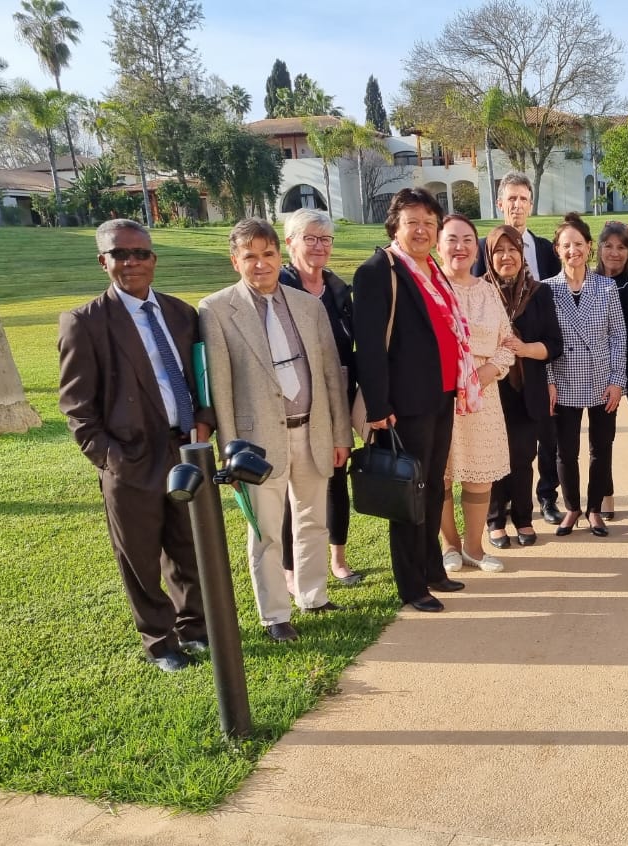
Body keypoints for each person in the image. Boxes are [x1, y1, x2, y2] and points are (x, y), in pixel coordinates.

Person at [57, 219, 213, 672]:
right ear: (103, 261)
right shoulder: (84, 323)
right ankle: (160, 642)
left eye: (140, 253)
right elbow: (76, 406)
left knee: (188, 547)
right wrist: (110, 458)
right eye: (120, 254)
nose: (132, 262)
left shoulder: (182, 313)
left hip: (184, 450)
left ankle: (197, 628)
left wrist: (204, 424)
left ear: (153, 258)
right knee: (140, 558)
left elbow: (201, 380)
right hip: (129, 459)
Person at [198, 218, 350, 641]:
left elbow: (329, 375)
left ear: (278, 256)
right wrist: (232, 451)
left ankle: (313, 595)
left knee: (313, 520)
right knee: (266, 531)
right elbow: (221, 387)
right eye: (250, 257)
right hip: (258, 441)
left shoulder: (308, 306)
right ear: (235, 261)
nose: (261, 264)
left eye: (268, 255)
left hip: (313, 431)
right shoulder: (216, 310)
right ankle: (275, 615)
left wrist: (341, 434)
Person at [352, 187, 479, 613]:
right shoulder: (378, 270)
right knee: (408, 491)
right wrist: (378, 407)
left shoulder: (431, 269)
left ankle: (432, 568)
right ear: (395, 226)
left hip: (441, 395)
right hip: (403, 404)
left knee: (432, 488)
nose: (422, 230)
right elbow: (369, 347)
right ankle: (411, 585)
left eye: (429, 222)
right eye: (413, 222)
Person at [278, 208, 362, 590]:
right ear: (290, 242)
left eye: (325, 239)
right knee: (289, 488)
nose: (318, 246)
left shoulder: (340, 292)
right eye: (309, 238)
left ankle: (338, 559)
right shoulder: (276, 288)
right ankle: (291, 570)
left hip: (335, 400)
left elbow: (353, 348)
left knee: (334, 478)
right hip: (290, 405)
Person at [473, 171, 563, 524]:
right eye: (511, 198)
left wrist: (536, 359)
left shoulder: (543, 251)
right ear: (500, 203)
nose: (517, 204)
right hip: (494, 380)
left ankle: (543, 501)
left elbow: (553, 329)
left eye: (523, 198)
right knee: (498, 451)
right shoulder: (486, 263)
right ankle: (500, 514)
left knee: (537, 446)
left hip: (535, 375)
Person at [436, 215, 515, 573]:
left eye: (468, 239)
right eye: (452, 239)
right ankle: (449, 546)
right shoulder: (430, 288)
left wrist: (486, 372)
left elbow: (507, 345)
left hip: (482, 395)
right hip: (439, 395)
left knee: (479, 473)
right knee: (442, 473)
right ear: (439, 246)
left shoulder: (487, 290)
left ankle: (474, 547)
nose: (460, 247)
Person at [545, 212, 627, 537]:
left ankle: (594, 509)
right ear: (557, 249)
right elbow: (545, 341)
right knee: (565, 450)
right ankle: (571, 508)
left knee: (601, 448)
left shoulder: (606, 287)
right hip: (563, 380)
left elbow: (619, 335)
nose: (573, 250)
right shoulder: (547, 290)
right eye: (566, 245)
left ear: (589, 247)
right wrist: (548, 380)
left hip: (601, 380)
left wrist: (618, 381)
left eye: (578, 244)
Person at [485, 225, 563, 548]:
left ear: (522, 254)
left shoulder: (539, 292)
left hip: (526, 389)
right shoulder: (481, 293)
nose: (507, 256)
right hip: (490, 390)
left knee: (521, 456)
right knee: (492, 458)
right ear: (489, 257)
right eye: (499, 251)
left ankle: (523, 518)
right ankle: (495, 520)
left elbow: (554, 344)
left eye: (513, 250)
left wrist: (523, 348)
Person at [595, 219, 628, 519]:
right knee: (603, 438)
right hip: (602, 372)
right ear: (598, 249)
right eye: (608, 246)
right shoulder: (588, 282)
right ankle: (606, 494)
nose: (614, 252)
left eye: (621, 247)